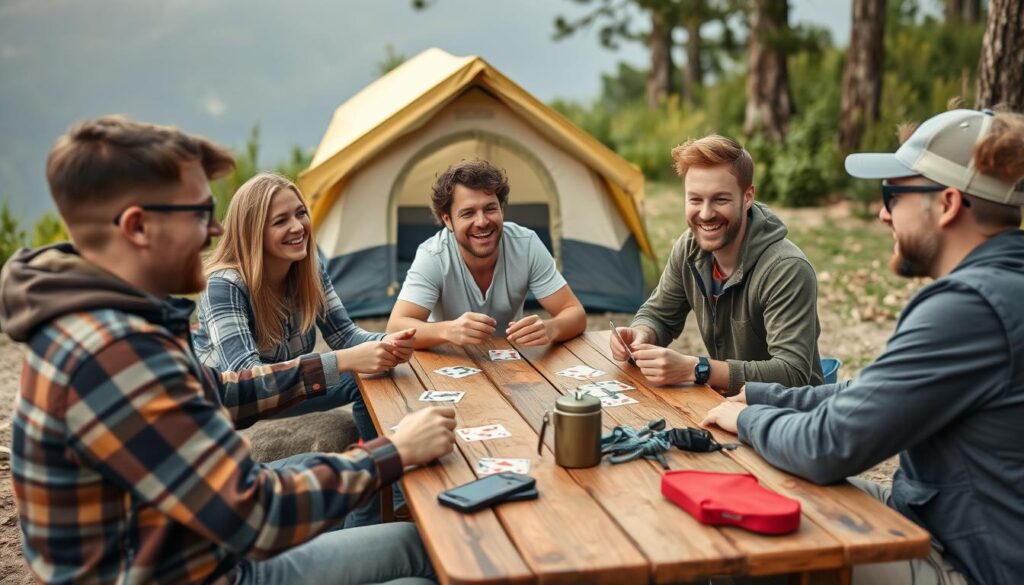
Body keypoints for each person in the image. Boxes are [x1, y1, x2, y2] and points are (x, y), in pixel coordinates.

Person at [0, 115, 456, 584]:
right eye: (200, 214)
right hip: (214, 568)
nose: (217, 230)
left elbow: (225, 393)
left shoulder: (114, 322)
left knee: (412, 543)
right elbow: (252, 512)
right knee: (422, 568)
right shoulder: (113, 353)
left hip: (200, 545)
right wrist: (391, 454)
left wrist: (407, 357)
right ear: (138, 227)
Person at [701, 109, 1024, 585]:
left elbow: (829, 446)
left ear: (948, 203)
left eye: (893, 194)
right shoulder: (1001, 287)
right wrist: (767, 396)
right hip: (953, 524)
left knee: (750, 523)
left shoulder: (969, 307)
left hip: (970, 563)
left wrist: (747, 420)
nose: (882, 212)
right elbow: (871, 393)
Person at [193, 172, 415, 527]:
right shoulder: (225, 284)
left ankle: (389, 503)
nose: (298, 226)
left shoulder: (309, 268)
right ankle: (386, 503)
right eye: (281, 220)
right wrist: (342, 361)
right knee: (355, 371)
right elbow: (246, 379)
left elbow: (346, 337)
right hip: (235, 406)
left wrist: (406, 340)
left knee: (376, 371)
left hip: (290, 389)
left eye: (300, 213)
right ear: (253, 232)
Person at [611, 134, 823, 396]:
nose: (706, 213)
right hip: (729, 404)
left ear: (747, 197)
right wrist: (641, 334)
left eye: (720, 199)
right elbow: (659, 315)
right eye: (695, 200)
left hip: (792, 415)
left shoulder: (787, 269)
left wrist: (698, 369)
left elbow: (793, 374)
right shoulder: (688, 249)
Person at [387, 159, 586, 349]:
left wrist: (551, 328)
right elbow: (395, 327)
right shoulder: (433, 255)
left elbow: (574, 312)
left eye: (490, 208)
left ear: (502, 210)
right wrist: (447, 331)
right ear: (447, 220)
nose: (482, 221)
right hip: (448, 361)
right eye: (468, 213)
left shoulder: (526, 245)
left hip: (512, 362)